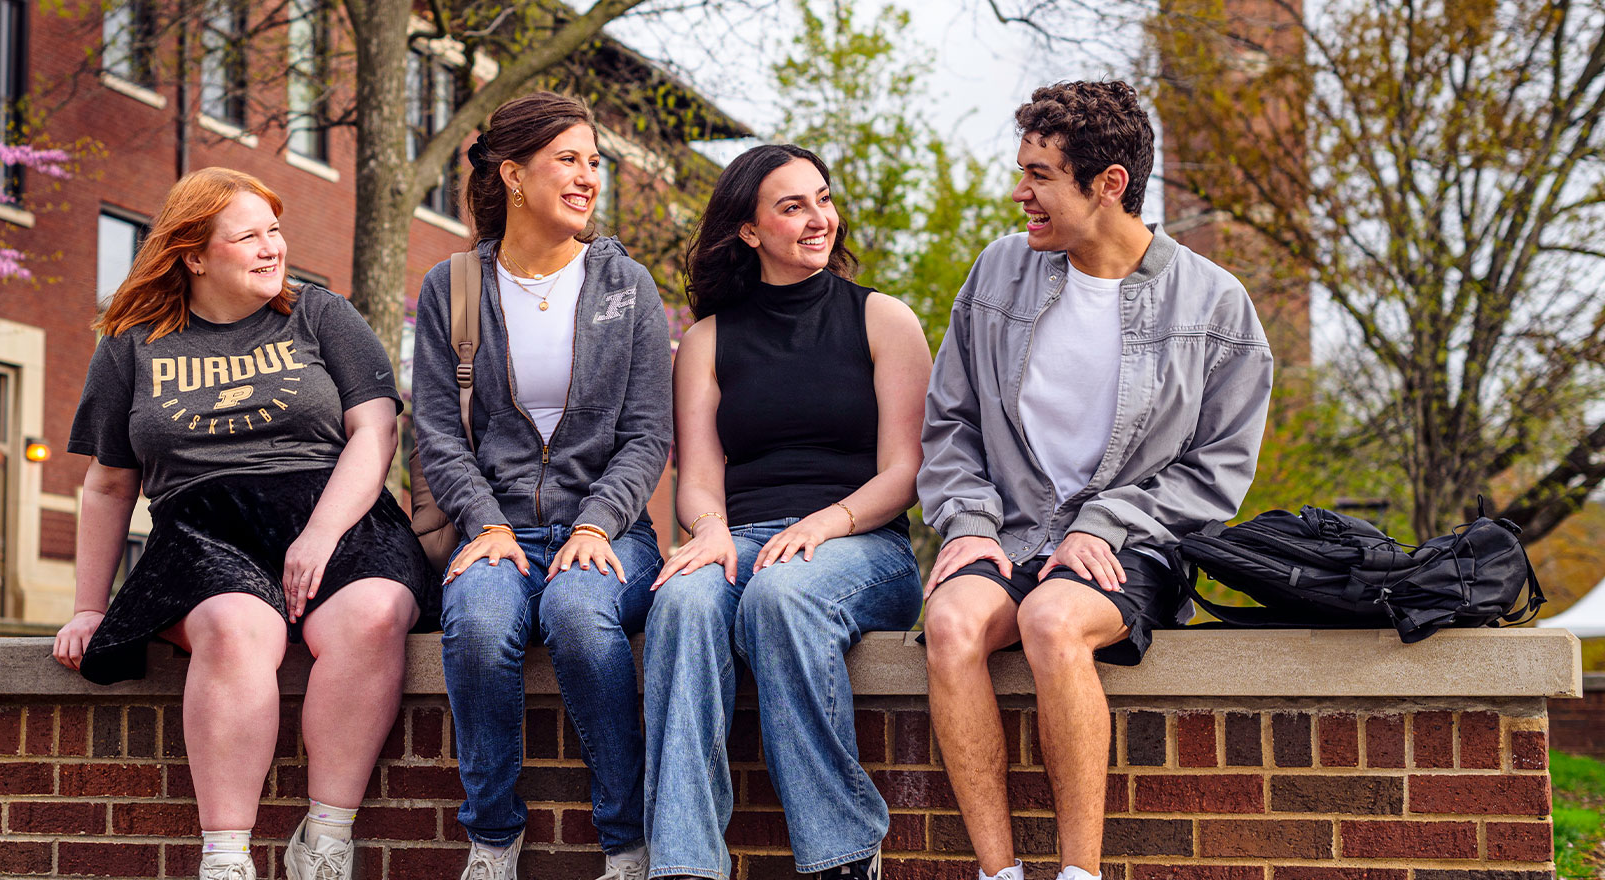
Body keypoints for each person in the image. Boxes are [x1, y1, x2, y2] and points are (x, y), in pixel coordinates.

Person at [919, 81, 1274, 880]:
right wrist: (969, 520)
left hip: (1132, 548)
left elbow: (1218, 473)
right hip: (1010, 529)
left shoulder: (1215, 305)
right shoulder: (997, 274)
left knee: (1050, 622)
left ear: (1108, 184)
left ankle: (1081, 875)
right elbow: (950, 421)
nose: (1020, 193)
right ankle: (997, 872)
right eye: (1023, 171)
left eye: (1040, 175)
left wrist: (1104, 522)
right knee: (949, 628)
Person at [52, 167, 436, 880]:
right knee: (235, 631)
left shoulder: (321, 315)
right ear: (193, 255)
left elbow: (375, 433)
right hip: (201, 529)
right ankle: (226, 858)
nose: (272, 248)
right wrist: (87, 606)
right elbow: (108, 484)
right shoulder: (132, 343)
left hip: (335, 512)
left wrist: (320, 535)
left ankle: (326, 842)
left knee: (375, 615)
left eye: (275, 231)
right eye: (248, 236)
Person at [643, 145, 932, 880]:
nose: (818, 219)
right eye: (793, 206)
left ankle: (842, 851)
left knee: (781, 597)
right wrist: (709, 531)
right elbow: (699, 480)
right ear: (749, 230)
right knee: (679, 599)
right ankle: (684, 862)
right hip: (740, 540)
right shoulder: (706, 341)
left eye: (823, 200)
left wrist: (825, 522)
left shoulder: (883, 319)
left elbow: (907, 472)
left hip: (862, 545)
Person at [413, 91, 671, 880]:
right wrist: (483, 523)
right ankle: (493, 837)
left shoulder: (629, 288)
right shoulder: (451, 288)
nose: (589, 177)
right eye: (570, 160)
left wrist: (596, 525)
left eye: (595, 163)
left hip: (610, 530)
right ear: (514, 174)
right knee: (482, 626)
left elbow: (647, 436)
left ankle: (625, 842)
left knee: (579, 616)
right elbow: (437, 430)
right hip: (497, 530)